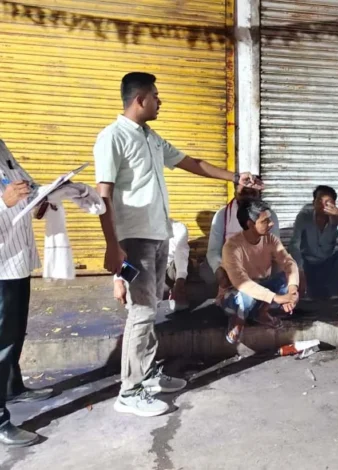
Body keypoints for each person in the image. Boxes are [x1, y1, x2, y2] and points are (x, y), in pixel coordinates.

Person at [95, 72, 262, 417]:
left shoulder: (151, 137)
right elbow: (103, 195)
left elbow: (191, 163)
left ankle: (147, 375)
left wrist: (236, 177)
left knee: (150, 308)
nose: (160, 101)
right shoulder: (112, 137)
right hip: (134, 239)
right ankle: (129, 391)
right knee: (141, 312)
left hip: (158, 236)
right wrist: (112, 246)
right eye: (156, 96)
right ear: (140, 99)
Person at [0, 139, 54, 447]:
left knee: (15, 333)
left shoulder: (1, 147)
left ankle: (12, 388)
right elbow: (7, 198)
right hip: (0, 265)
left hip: (18, 260)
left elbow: (26, 185)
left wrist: (44, 197)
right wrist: (4, 202)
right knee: (1, 343)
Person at [220, 199, 299, 343]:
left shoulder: (271, 239)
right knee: (246, 296)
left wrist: (292, 292)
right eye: (265, 221)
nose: (272, 224)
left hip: (262, 289)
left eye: (270, 219)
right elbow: (242, 283)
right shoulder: (231, 246)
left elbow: (289, 263)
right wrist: (277, 298)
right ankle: (239, 319)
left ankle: (261, 312)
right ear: (250, 224)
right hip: (235, 295)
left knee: (285, 279)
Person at [204, 181, 280, 286]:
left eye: (253, 185)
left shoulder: (270, 216)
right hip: (229, 264)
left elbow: (275, 250)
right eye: (245, 183)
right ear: (235, 189)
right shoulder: (222, 214)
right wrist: (220, 270)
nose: (249, 187)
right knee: (207, 271)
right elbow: (213, 251)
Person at [288, 185, 338, 300]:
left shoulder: (336, 219)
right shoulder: (304, 217)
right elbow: (294, 244)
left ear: (334, 204)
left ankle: (331, 287)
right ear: (313, 202)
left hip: (327, 262)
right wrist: (299, 268)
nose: (323, 205)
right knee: (292, 253)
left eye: (328, 202)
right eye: (319, 201)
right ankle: (309, 287)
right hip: (307, 262)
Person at [114, 219, 190, 312]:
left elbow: (181, 256)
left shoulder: (178, 228)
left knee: (186, 264)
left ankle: (175, 293)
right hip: (142, 273)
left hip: (166, 274)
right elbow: (123, 255)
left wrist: (179, 282)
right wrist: (118, 281)